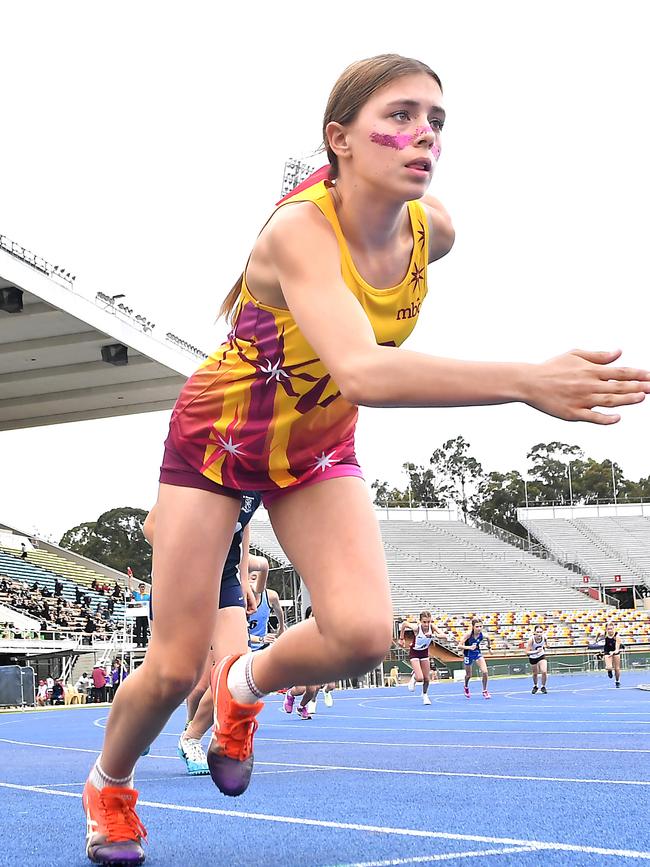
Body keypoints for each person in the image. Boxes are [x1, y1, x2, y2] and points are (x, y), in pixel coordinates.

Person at [81, 53, 650, 865]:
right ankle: (108, 785)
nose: (423, 135)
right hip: (217, 445)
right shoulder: (297, 232)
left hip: (316, 447)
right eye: (400, 116)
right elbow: (364, 371)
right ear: (338, 140)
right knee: (172, 668)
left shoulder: (434, 230)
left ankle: (242, 688)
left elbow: (356, 373)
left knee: (361, 634)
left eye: (436, 121)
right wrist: (525, 378)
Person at [142, 493, 262, 776]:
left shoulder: (260, 474)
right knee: (174, 675)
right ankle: (141, 726)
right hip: (182, 575)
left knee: (237, 671)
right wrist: (188, 561)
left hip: (225, 578)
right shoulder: (207, 466)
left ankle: (191, 737)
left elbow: (242, 524)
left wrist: (244, 579)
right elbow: (151, 527)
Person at [399, 610, 449, 705]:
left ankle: (425, 695)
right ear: (420, 621)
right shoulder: (417, 628)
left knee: (426, 678)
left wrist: (433, 635)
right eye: (424, 622)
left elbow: (444, 636)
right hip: (414, 652)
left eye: (428, 622)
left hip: (424, 652)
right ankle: (414, 677)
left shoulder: (432, 627)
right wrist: (402, 638)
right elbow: (404, 624)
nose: (426, 624)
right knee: (420, 678)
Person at [462, 617, 492, 699]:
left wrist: (489, 648)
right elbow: (459, 646)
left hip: (477, 653)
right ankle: (466, 686)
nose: (479, 628)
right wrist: (469, 647)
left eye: (480, 626)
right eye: (477, 627)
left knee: (485, 672)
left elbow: (488, 638)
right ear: (473, 627)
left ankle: (485, 691)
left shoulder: (482, 635)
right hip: (468, 654)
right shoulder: (468, 635)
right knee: (468, 675)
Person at [596, 621, 623, 687]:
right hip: (607, 651)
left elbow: (617, 649)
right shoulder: (605, 634)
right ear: (606, 629)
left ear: (613, 628)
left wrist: (613, 652)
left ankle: (617, 681)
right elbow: (599, 632)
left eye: (611, 629)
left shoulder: (617, 636)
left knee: (617, 668)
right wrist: (596, 639)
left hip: (615, 651)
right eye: (608, 629)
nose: (610, 630)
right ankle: (609, 671)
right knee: (609, 667)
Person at [526, 624, 549, 694]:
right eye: (538, 632)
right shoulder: (531, 640)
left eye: (541, 632)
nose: (539, 634)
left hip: (541, 655)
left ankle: (543, 686)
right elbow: (526, 652)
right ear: (534, 632)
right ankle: (535, 686)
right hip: (533, 657)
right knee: (535, 673)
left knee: (544, 671)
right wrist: (536, 651)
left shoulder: (544, 637)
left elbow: (546, 644)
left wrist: (546, 646)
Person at [131, 583, 151, 648]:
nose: (142, 588)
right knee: (138, 630)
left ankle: (144, 644)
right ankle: (138, 644)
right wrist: (130, 578)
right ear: (139, 588)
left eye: (143, 587)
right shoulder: (137, 595)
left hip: (145, 615)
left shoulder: (147, 596)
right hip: (139, 614)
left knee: (145, 630)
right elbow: (130, 588)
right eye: (141, 587)